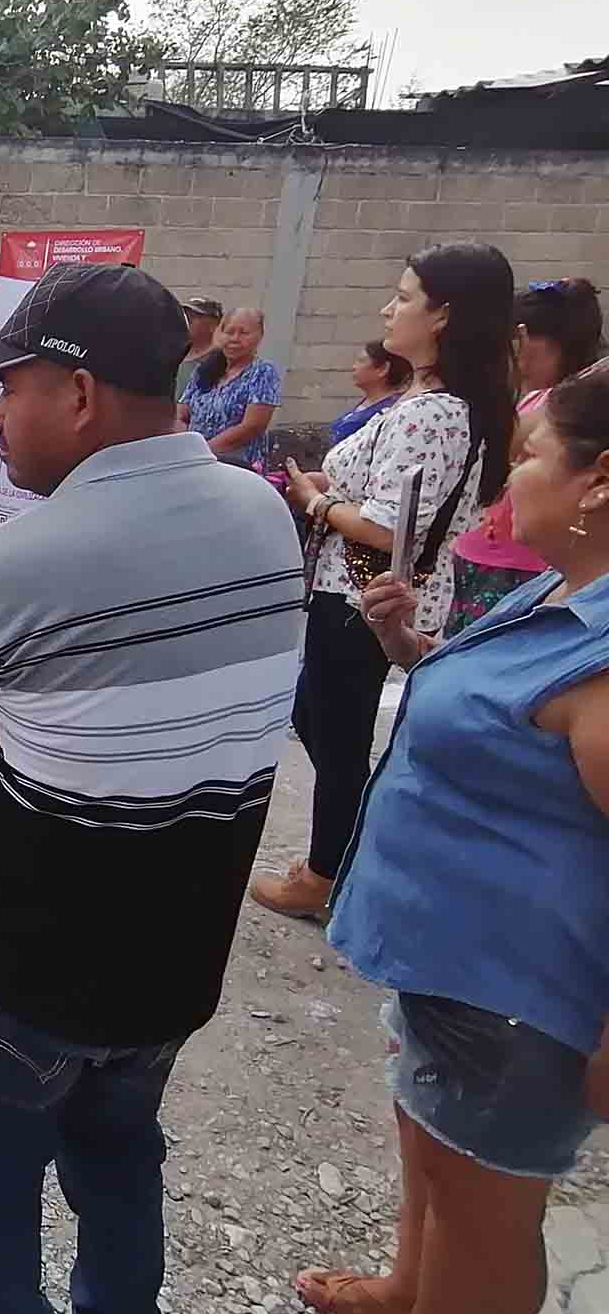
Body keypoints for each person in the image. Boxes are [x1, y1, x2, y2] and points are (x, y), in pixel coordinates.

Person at [0, 263, 304, 1314]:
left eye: (10, 389)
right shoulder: (262, 513)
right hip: (177, 958)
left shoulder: (19, 556)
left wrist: (20, 713)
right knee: (118, 1148)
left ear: (75, 398)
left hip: (32, 965)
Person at [293, 365, 609, 1314]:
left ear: (600, 482)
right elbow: (507, 729)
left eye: (531, 459)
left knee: (486, 1224)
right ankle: (406, 1291)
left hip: (514, 996)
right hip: (458, 969)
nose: (511, 483)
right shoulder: (567, 589)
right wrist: (408, 650)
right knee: (433, 1151)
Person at [252, 243, 518, 922]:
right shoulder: (433, 399)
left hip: (369, 599)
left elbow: (383, 526)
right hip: (357, 589)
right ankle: (348, 846)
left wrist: (315, 501)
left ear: (443, 316)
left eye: (403, 297)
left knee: (336, 735)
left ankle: (325, 873)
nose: (388, 309)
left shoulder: (436, 411)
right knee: (319, 718)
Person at [445, 277, 603, 635]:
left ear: (523, 336)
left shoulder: (560, 411)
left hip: (515, 569)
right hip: (488, 554)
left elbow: (497, 445)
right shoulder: (541, 400)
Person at [179, 307, 283, 468]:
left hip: (236, 466)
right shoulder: (205, 370)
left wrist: (204, 452)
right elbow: (181, 415)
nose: (235, 338)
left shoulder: (263, 373)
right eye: (229, 332)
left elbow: (252, 427)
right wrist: (187, 449)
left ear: (259, 337)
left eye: (244, 333)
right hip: (194, 460)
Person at [327, 338, 413, 448]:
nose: (354, 367)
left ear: (382, 369)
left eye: (361, 361)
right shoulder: (367, 402)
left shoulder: (389, 412)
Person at [175, 296, 223, 401]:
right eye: (186, 315)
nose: (187, 320)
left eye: (194, 316)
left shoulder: (222, 360)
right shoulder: (173, 356)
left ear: (213, 324)